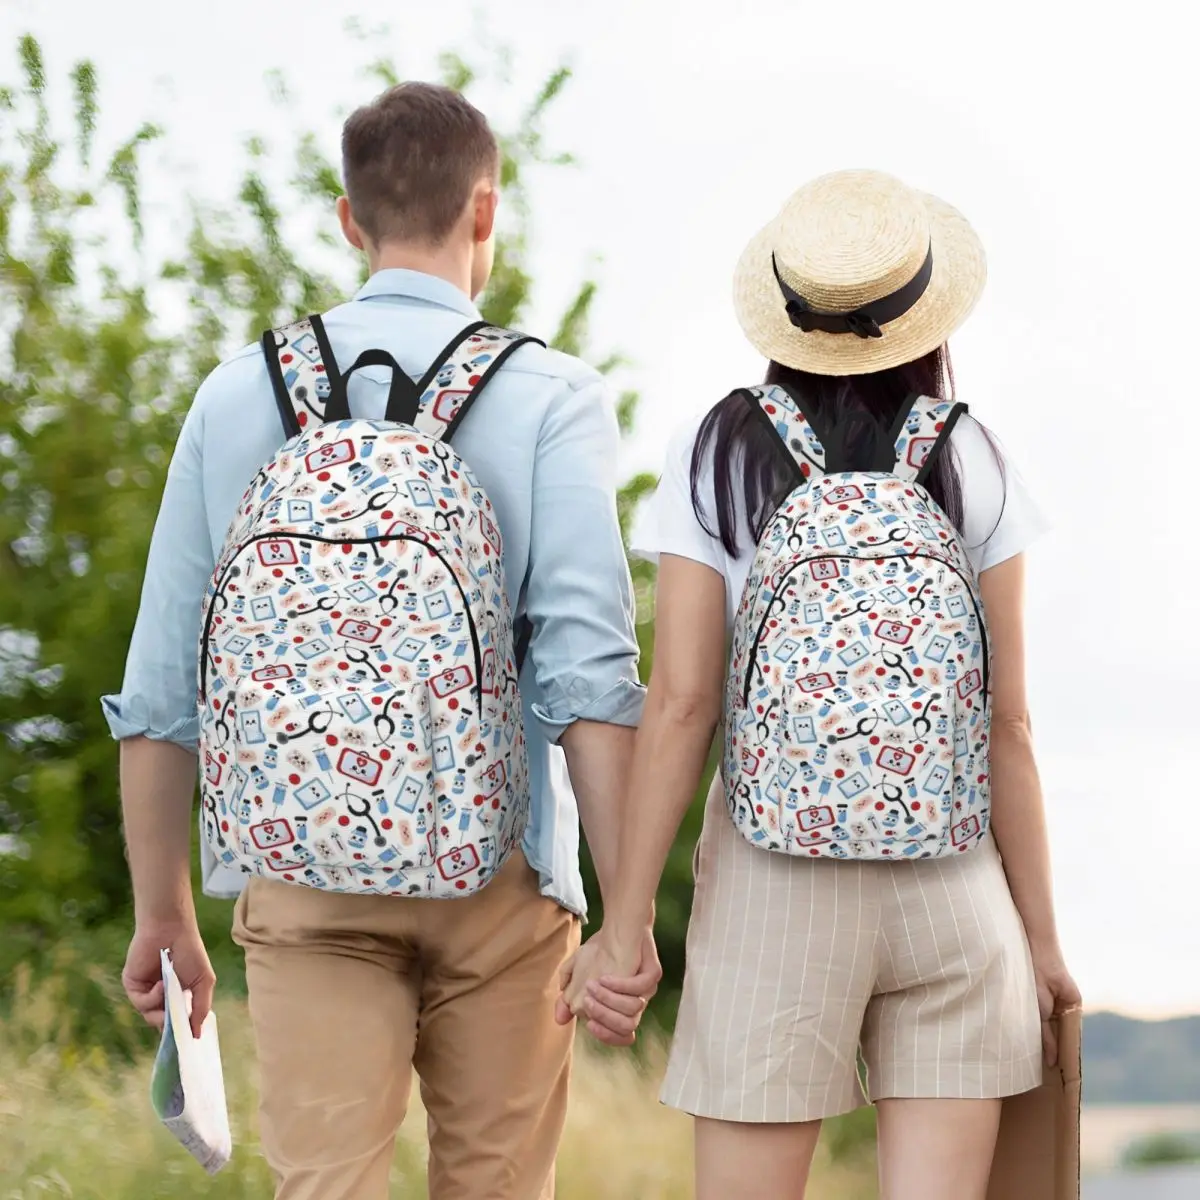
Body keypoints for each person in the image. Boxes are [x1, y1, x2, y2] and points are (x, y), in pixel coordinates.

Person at [104, 81, 661, 1200]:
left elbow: (164, 684)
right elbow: (589, 679)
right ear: (486, 212)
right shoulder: (550, 395)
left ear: (349, 219)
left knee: (325, 1186)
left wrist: (162, 910)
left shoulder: (235, 395)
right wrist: (627, 915)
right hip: (501, 877)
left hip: (301, 875)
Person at [559, 169, 1081, 1200]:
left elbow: (682, 705)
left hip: (773, 882)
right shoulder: (973, 454)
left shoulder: (718, 450)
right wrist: (1042, 942)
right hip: (954, 885)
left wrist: (623, 928)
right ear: (924, 314)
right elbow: (1008, 724)